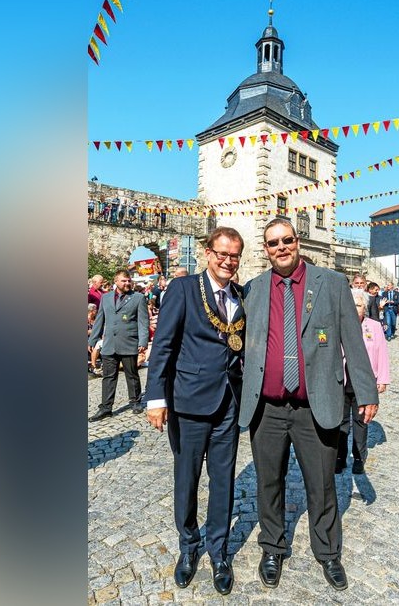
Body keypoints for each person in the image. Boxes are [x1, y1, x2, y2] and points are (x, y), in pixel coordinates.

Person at [240, 218, 379, 592]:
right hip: (266, 409)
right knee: (268, 482)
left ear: (297, 241)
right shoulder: (253, 289)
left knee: (322, 484)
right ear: (266, 249)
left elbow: (353, 340)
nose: (281, 247)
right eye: (273, 243)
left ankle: (329, 553)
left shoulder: (331, 284)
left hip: (314, 403)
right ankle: (272, 547)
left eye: (287, 240)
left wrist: (366, 392)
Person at [142, 227, 246, 595]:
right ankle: (189, 546)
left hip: (228, 404)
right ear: (207, 252)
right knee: (186, 481)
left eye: (234, 255)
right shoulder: (183, 289)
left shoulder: (240, 294)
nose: (228, 261)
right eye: (222, 253)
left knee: (224, 480)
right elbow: (164, 345)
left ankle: (219, 551)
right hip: (188, 402)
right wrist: (156, 397)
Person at [337, 289, 390, 474]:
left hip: (364, 383)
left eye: (358, 305)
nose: (354, 309)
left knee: (361, 421)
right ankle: (340, 457)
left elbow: (382, 353)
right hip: (342, 381)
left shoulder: (374, 326)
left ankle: (359, 457)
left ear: (365, 308)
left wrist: (382, 379)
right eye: (351, 305)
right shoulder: (339, 324)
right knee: (341, 421)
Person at [88, 270, 149, 420]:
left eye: (129, 281)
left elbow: (143, 322)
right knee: (108, 377)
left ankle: (135, 402)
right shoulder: (106, 298)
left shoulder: (138, 298)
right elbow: (100, 319)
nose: (127, 283)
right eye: (124, 281)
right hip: (110, 344)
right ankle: (106, 408)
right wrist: (93, 339)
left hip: (129, 342)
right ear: (116, 281)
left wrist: (143, 341)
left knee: (132, 375)